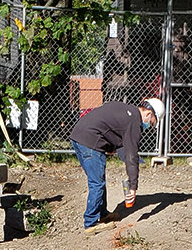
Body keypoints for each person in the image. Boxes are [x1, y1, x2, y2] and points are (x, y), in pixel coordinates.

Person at [70, 97, 165, 235]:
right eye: (151, 123)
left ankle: (102, 213)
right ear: (149, 114)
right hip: (90, 141)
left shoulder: (128, 112)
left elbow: (118, 139)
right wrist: (133, 187)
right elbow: (131, 156)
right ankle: (90, 223)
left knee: (98, 180)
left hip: (79, 136)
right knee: (97, 183)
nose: (148, 126)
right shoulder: (134, 122)